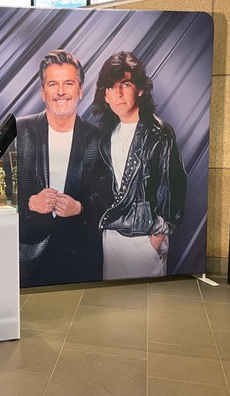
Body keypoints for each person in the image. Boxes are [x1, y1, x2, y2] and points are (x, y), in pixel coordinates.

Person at [89, 51, 186, 280]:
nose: (118, 93)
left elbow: (172, 188)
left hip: (145, 239)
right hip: (112, 238)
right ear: (105, 96)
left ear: (140, 89)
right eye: (111, 87)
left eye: (126, 84)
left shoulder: (159, 133)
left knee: (145, 310)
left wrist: (155, 241)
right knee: (113, 310)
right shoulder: (106, 136)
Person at [16, 49, 103, 287]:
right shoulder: (19, 131)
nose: (61, 92)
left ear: (81, 90)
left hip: (80, 259)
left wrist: (80, 208)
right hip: (25, 259)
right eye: (53, 84)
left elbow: (110, 198)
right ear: (43, 92)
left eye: (69, 83)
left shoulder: (99, 139)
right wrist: (29, 203)